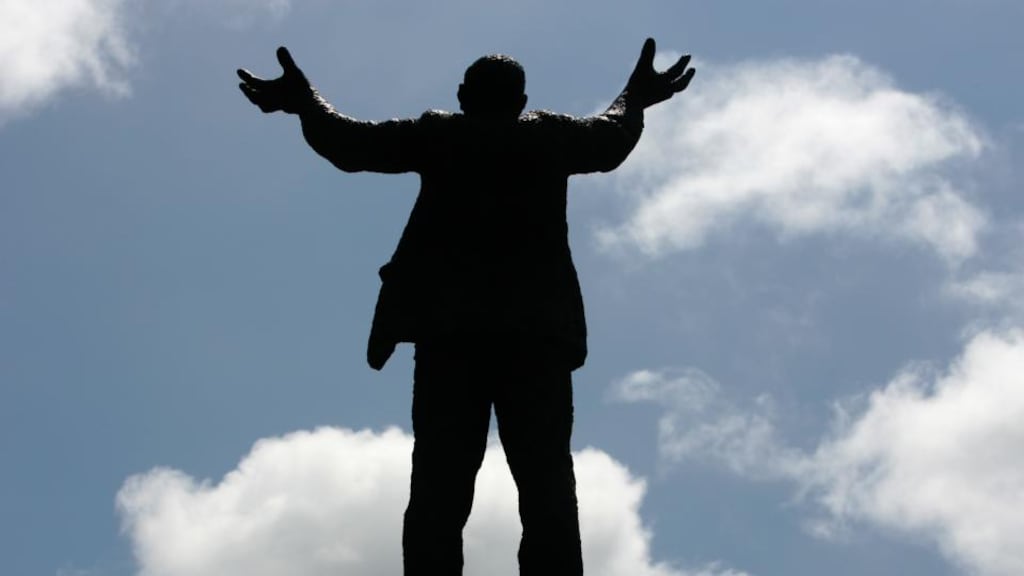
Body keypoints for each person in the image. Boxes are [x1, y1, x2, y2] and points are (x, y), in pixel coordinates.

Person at [237, 38, 694, 576]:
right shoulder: (547, 137)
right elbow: (612, 137)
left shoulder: (441, 136)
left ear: (462, 96)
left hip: (452, 338)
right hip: (531, 340)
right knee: (544, 485)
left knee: (440, 486)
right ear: (522, 101)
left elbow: (350, 145)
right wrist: (634, 95)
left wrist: (305, 99)